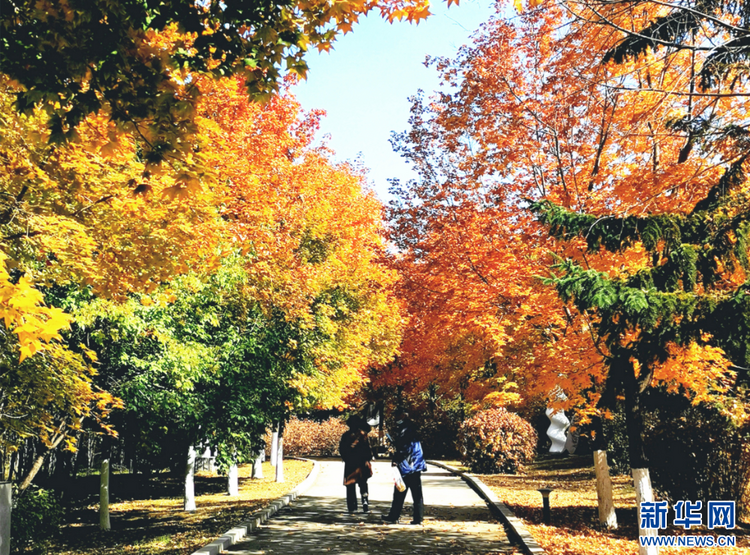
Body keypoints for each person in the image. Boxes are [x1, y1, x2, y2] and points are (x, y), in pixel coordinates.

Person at [383, 411, 427, 525]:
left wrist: (396, 460)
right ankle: (419, 518)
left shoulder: (405, 431)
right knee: (417, 494)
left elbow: (404, 449)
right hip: (416, 464)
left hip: (408, 465)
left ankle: (394, 516)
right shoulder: (413, 430)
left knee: (399, 491)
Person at [339, 415, 373, 514]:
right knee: (363, 484)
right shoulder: (363, 435)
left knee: (350, 485)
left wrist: (346, 458)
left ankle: (352, 506)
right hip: (362, 463)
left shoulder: (346, 435)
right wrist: (368, 459)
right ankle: (365, 501)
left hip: (350, 463)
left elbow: (342, 449)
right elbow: (368, 450)